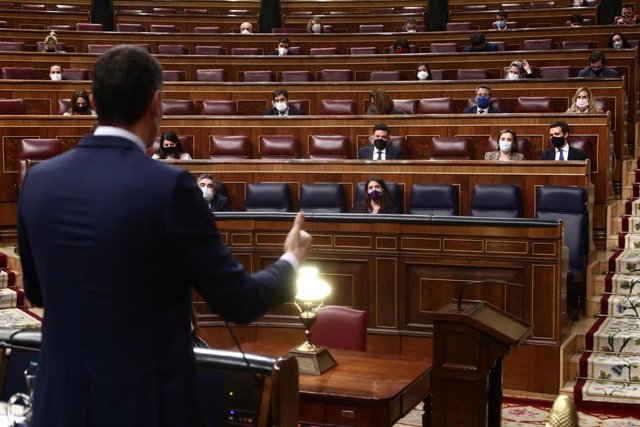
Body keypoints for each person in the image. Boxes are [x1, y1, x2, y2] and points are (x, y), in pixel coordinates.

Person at [17, 44, 312, 427]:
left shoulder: (38, 181)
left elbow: (38, 294)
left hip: (59, 406)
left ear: (93, 100)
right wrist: (291, 260)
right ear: (156, 102)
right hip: (145, 408)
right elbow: (239, 301)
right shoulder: (169, 186)